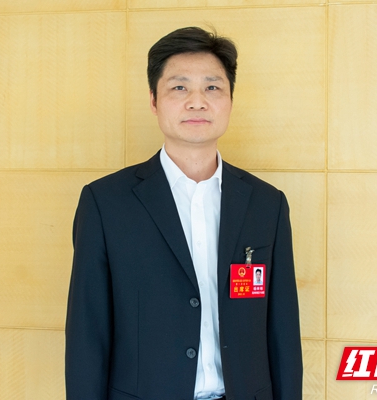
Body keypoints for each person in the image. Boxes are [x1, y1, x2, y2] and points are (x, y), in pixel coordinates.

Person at [65, 26, 302, 400]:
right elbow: (87, 335)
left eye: (212, 87)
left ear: (230, 99)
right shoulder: (105, 203)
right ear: (154, 101)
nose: (197, 102)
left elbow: (283, 332)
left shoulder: (266, 204)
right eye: (179, 87)